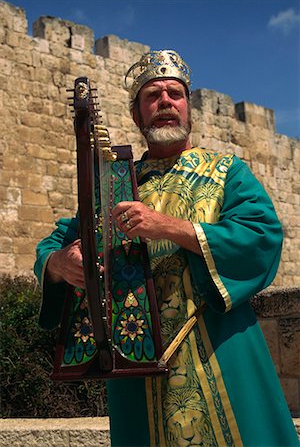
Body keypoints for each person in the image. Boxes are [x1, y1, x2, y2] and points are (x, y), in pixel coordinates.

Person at [34, 50, 299, 446]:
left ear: (188, 107)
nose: (164, 103)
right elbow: (56, 243)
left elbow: (261, 236)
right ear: (138, 116)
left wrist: (169, 227)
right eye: (152, 96)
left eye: (174, 93)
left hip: (220, 351)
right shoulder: (114, 183)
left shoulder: (226, 172)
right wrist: (58, 263)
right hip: (134, 365)